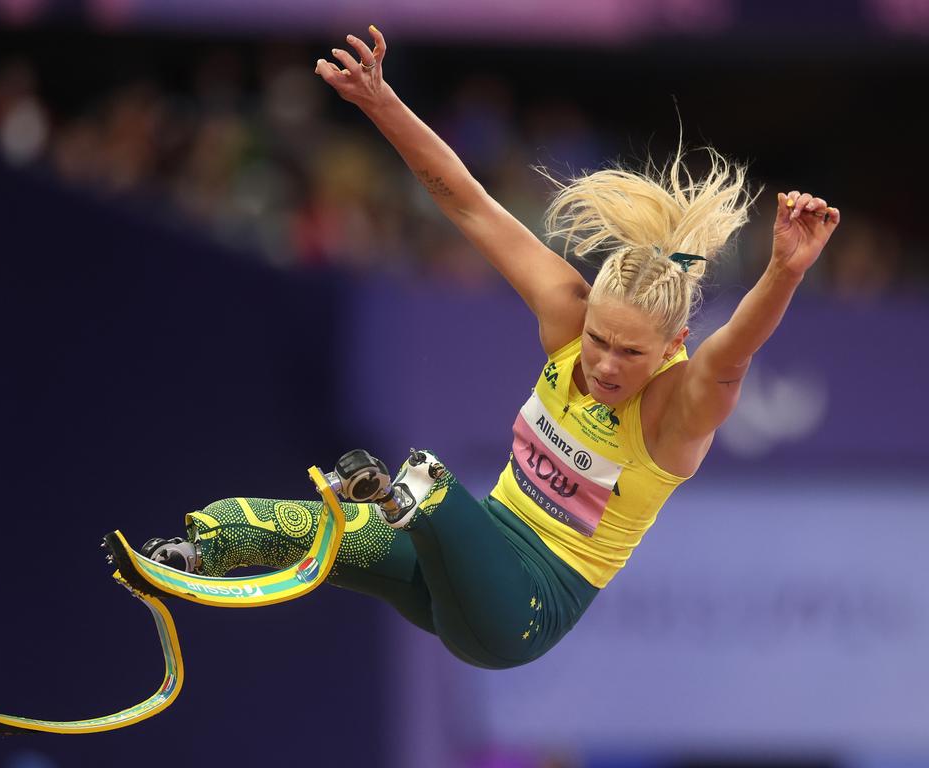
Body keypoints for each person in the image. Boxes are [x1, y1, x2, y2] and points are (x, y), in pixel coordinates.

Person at [143, 26, 841, 670]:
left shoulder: (678, 409)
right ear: (586, 312)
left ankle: (393, 496)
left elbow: (738, 348)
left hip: (523, 611)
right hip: (450, 572)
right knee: (283, 521)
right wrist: (380, 101)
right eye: (599, 339)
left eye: (630, 354)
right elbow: (470, 203)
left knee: (427, 482)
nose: (601, 363)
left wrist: (785, 268)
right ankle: (187, 551)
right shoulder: (568, 318)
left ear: (672, 346)